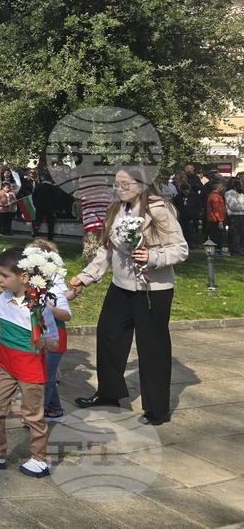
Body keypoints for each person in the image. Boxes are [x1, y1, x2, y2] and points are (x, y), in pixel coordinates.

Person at [69, 166, 189, 426]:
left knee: (152, 347)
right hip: (121, 286)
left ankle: (157, 409)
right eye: (117, 184)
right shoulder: (115, 209)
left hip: (152, 290)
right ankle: (109, 394)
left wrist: (153, 257)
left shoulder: (158, 210)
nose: (119, 188)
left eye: (125, 183)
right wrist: (84, 278)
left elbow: (180, 249)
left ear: (142, 185)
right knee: (108, 335)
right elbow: (106, 251)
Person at [0, 246, 59, 477]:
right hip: (5, 365)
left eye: (4, 276)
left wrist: (43, 343)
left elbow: (55, 342)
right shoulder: (3, 299)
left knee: (32, 414)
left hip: (30, 369)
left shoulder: (38, 308)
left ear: (24, 277)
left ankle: (39, 458)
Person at [28, 238, 73, 422]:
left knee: (45, 379)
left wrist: (51, 309)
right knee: (46, 376)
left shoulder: (55, 285)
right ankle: (55, 409)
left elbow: (66, 315)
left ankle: (39, 414)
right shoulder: (30, 285)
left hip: (55, 339)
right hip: (39, 337)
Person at [206, 182, 227, 256]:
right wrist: (220, 220)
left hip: (214, 218)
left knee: (217, 235)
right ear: (217, 187)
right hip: (215, 219)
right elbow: (217, 209)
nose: (223, 188)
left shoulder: (214, 195)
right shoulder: (215, 197)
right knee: (217, 235)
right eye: (222, 186)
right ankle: (216, 250)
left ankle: (217, 249)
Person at [225, 180, 244, 256]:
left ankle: (241, 250)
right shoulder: (229, 193)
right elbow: (233, 206)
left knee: (242, 234)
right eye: (240, 184)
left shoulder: (241, 194)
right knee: (236, 234)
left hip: (242, 215)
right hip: (235, 216)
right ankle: (235, 251)